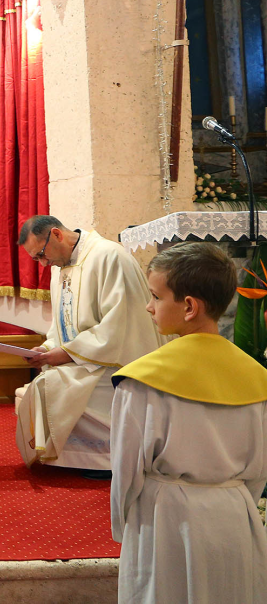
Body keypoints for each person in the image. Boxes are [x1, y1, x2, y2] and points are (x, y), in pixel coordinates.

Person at [111, 243, 267, 603]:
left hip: (165, 520)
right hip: (234, 518)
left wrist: (124, 527)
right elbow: (259, 471)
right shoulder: (257, 378)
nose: (149, 306)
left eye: (155, 296)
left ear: (189, 306)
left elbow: (126, 470)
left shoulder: (142, 380)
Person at [14, 216, 163, 472]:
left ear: (57, 235)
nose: (42, 263)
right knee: (47, 381)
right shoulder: (59, 267)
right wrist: (48, 348)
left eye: (41, 254)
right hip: (87, 355)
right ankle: (73, 458)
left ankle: (105, 460)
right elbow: (62, 324)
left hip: (119, 359)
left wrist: (66, 354)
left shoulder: (109, 257)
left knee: (53, 383)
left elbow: (119, 325)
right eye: (36, 259)